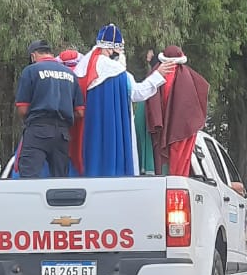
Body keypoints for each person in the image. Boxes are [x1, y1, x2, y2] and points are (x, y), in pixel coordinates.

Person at [74, 25, 174, 178]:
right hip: (111, 130)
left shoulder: (81, 68)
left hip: (87, 128)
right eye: (120, 51)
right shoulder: (118, 72)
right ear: (111, 49)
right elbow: (137, 92)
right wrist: (158, 75)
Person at [14, 40, 84, 178]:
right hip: (63, 135)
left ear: (33, 56)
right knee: (60, 181)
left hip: (37, 130)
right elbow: (80, 112)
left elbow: (22, 109)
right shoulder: (70, 74)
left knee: (29, 178)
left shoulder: (31, 71)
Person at [145, 44, 210, 177]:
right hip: (185, 129)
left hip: (164, 131)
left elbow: (152, 99)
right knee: (179, 162)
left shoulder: (158, 73)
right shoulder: (186, 75)